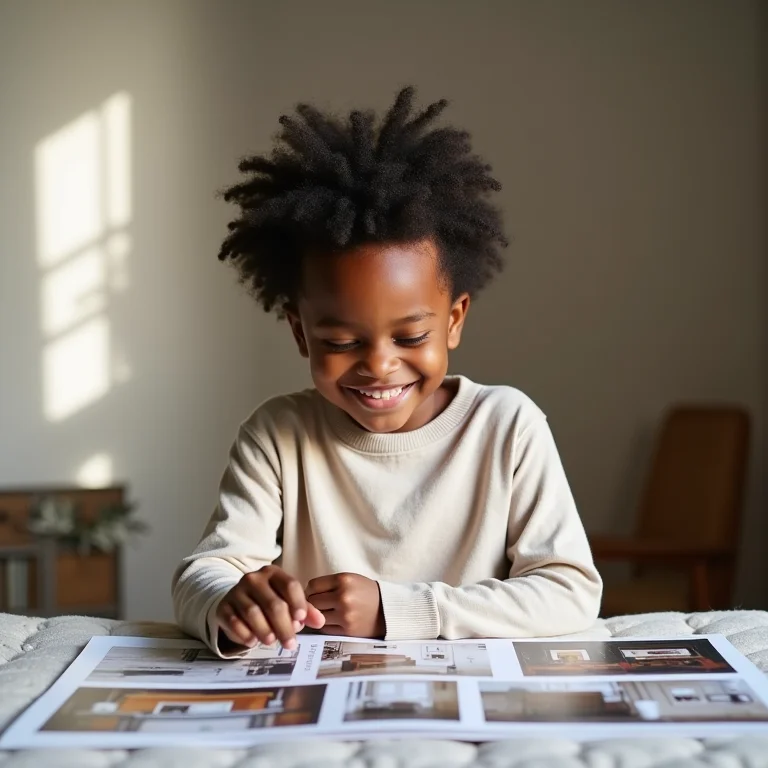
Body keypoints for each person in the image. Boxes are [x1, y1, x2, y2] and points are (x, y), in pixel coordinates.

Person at [172, 87, 602, 657]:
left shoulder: (508, 425)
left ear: (454, 321)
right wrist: (231, 603)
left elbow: (569, 591)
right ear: (300, 332)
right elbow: (204, 573)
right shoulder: (278, 433)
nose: (378, 364)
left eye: (411, 336)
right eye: (342, 341)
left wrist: (395, 611)